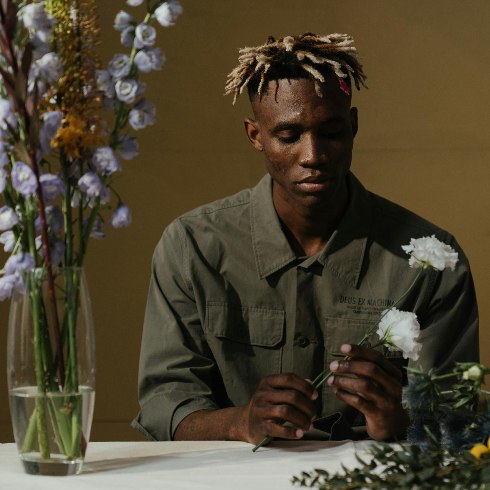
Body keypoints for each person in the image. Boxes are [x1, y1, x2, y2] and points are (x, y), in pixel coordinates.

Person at [132, 33, 479, 445]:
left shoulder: (432, 261)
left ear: (352, 125)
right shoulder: (192, 247)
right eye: (289, 135)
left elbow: (457, 419)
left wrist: (398, 422)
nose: (313, 155)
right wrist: (241, 422)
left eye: (330, 131)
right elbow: (164, 406)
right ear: (255, 135)